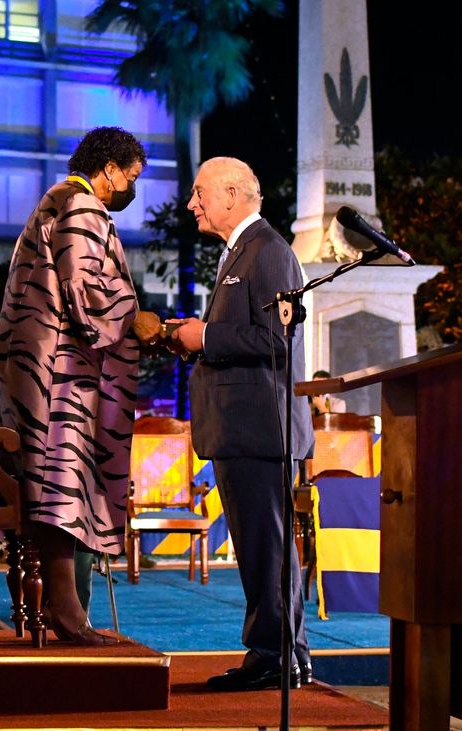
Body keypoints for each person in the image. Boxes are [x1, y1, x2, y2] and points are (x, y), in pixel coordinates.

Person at [0, 126, 161, 645]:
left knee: (51, 487)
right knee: (61, 485)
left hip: (36, 364)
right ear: (108, 169)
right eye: (129, 177)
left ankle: (64, 612)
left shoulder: (55, 201)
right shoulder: (83, 205)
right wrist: (137, 320)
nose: (129, 188)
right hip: (58, 372)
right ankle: (66, 615)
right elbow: (86, 292)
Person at [168, 156, 314, 691]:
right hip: (243, 431)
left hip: (262, 431)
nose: (191, 205)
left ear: (231, 195)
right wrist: (195, 337)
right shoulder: (243, 253)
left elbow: (278, 340)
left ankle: (279, 659)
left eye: (199, 194)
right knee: (259, 549)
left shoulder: (269, 252)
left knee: (267, 548)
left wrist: (204, 338)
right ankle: (274, 653)